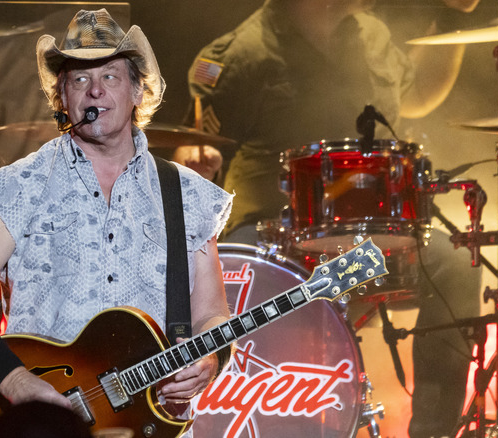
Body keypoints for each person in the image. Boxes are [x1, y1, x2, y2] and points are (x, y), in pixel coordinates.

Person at [181, 0, 482, 437]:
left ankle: (433, 432)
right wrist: (192, 157)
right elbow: (194, 142)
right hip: (276, 237)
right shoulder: (239, 54)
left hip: (367, 244)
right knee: (240, 284)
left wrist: (455, 16)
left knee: (453, 270)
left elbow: (417, 95)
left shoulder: (372, 36)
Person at [0, 7, 233, 429]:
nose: (94, 91)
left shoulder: (188, 195)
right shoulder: (21, 186)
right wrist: (15, 381)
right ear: (62, 98)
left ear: (138, 91)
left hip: (150, 425)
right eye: (79, 79)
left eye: (109, 76)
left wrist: (209, 358)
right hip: (44, 427)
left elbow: (211, 316)